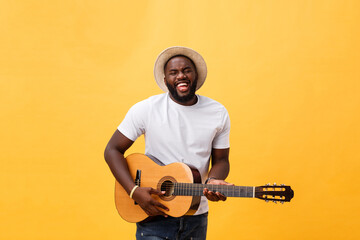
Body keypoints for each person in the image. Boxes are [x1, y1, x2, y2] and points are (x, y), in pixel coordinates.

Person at [104, 46, 232, 240]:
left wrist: (213, 181)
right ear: (165, 80)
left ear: (195, 75)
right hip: (153, 215)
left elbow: (222, 160)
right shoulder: (146, 109)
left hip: (196, 216)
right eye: (173, 72)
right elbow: (112, 150)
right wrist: (133, 191)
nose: (181, 76)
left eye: (186, 70)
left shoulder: (218, 112)